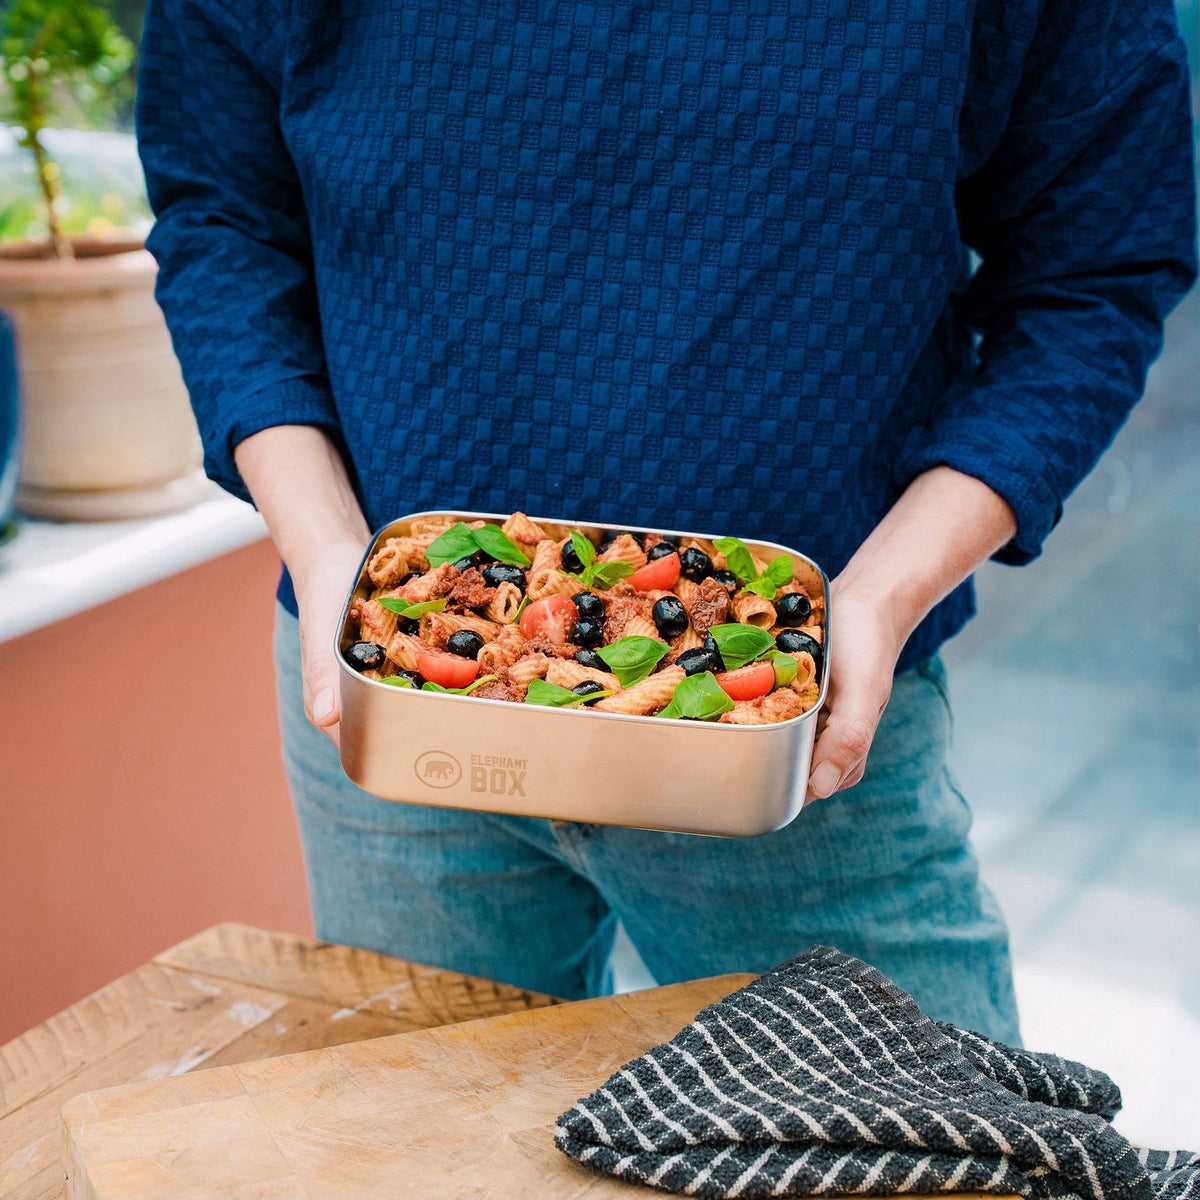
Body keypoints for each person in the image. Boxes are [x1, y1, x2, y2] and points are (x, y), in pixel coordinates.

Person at [136, 0, 1196, 1043]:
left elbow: (1093, 270)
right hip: (400, 722)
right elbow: (221, 215)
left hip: (798, 745)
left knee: (937, 1162)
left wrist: (883, 592)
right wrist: (323, 544)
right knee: (417, 1156)